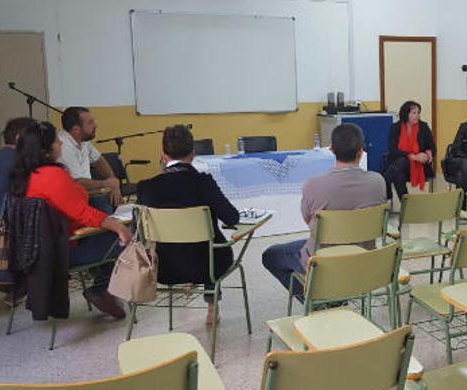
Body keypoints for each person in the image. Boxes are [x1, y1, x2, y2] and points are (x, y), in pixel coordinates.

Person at [8, 121, 132, 319]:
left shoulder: (20, 178)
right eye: (57, 142)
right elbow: (82, 213)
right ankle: (102, 289)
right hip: (63, 252)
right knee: (125, 236)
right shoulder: (53, 176)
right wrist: (119, 227)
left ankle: (101, 288)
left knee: (104, 229)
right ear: (46, 150)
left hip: (31, 254)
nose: (61, 145)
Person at [262, 123, 386, 300]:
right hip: (364, 258)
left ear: (331, 150)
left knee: (271, 255)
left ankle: (317, 301)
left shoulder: (313, 185)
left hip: (323, 262)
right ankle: (330, 299)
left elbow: (309, 222)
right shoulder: (378, 181)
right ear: (361, 152)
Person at [136, 125, 241, 323]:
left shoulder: (146, 188)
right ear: (193, 154)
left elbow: (139, 230)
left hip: (164, 267)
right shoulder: (203, 183)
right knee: (212, 250)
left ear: (163, 155)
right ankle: (212, 306)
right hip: (208, 264)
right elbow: (232, 218)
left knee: (192, 250)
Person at [58, 106, 122, 211]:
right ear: (76, 130)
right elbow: (78, 183)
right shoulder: (63, 146)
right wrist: (107, 184)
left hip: (90, 193)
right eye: (90, 122)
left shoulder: (83, 140)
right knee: (108, 214)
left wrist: (113, 181)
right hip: (73, 199)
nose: (95, 125)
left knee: (121, 210)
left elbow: (98, 160)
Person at [384, 101, 436, 200]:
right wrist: (413, 156)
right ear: (406, 113)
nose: (417, 115)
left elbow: (432, 147)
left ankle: (385, 183)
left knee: (397, 169)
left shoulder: (423, 127)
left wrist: (429, 152)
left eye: (418, 113)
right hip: (402, 165)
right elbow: (393, 150)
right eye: (414, 113)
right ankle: (407, 206)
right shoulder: (395, 128)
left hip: (420, 166)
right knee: (399, 172)